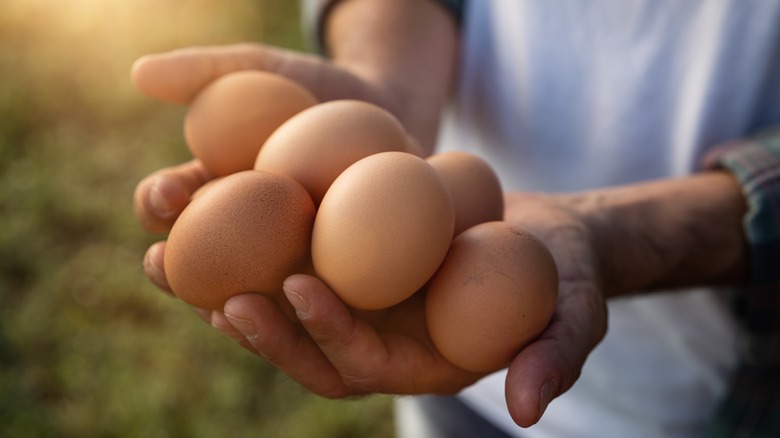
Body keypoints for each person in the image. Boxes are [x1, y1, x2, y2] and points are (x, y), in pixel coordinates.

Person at [132, 0, 780, 436]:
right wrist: (389, 83)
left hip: (697, 398)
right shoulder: (406, 199)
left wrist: (623, 238)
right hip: (444, 369)